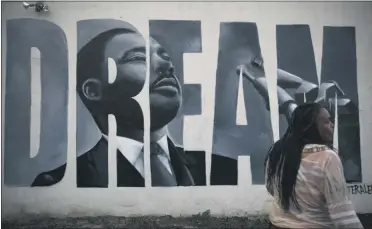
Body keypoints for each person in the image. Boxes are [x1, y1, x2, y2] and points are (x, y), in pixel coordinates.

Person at [32, 26, 205, 187]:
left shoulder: (224, 169)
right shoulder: (59, 182)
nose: (167, 66)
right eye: (139, 58)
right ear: (93, 90)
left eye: (165, 57)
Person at [264, 103, 363, 229]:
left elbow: (272, 188)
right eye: (326, 122)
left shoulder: (277, 152)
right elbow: (342, 214)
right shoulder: (327, 157)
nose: (332, 125)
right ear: (311, 127)